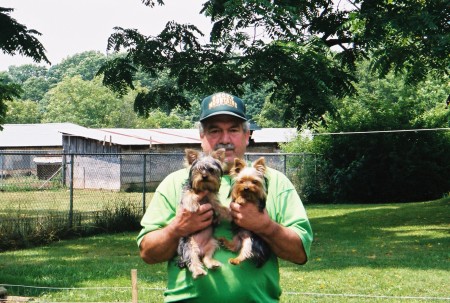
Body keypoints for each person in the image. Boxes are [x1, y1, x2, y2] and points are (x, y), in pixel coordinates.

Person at [137, 92, 313, 302]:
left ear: (247, 135)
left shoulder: (274, 182)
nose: (225, 139)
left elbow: (299, 253)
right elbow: (148, 253)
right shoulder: (175, 183)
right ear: (201, 137)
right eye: (214, 131)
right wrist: (178, 227)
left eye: (233, 130)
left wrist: (265, 226)